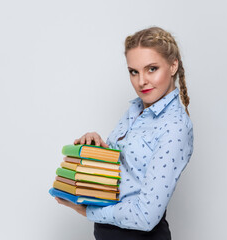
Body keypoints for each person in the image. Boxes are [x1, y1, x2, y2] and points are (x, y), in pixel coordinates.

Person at [55, 26, 194, 240]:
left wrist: (85, 211)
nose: (141, 81)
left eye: (152, 69)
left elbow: (146, 217)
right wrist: (99, 150)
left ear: (173, 65)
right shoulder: (137, 109)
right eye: (134, 71)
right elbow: (128, 173)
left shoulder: (174, 126)